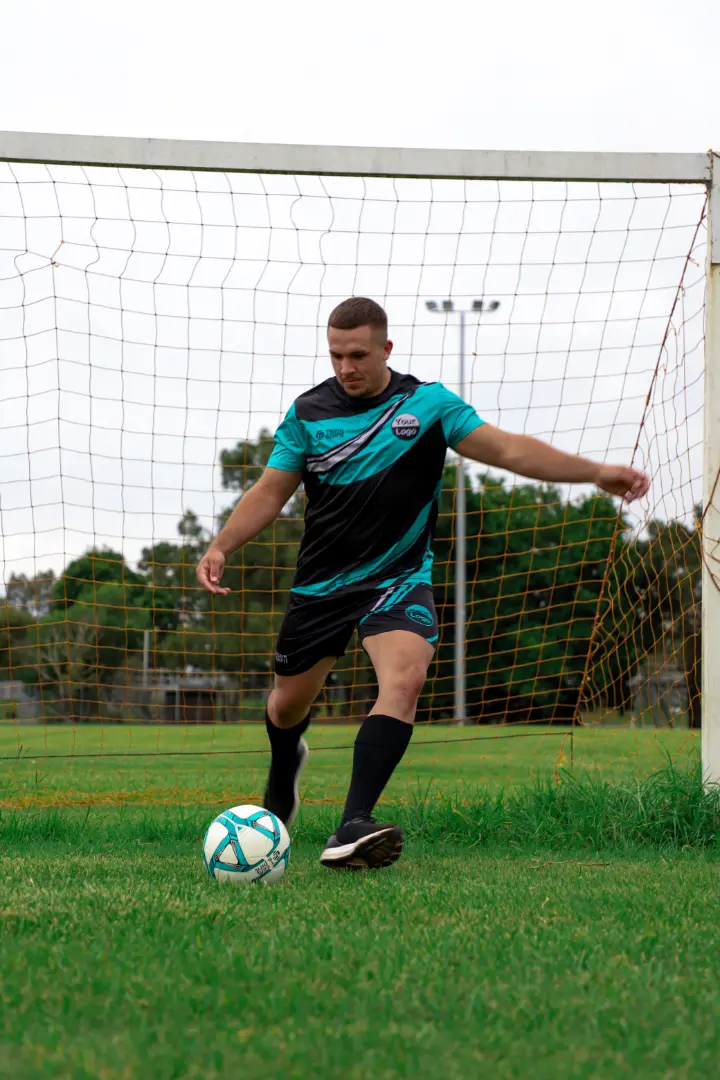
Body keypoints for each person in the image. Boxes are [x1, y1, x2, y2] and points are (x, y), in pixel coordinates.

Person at [196, 297, 649, 871]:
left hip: (399, 579)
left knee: (405, 680)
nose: (346, 367)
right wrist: (222, 545)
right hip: (322, 587)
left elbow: (506, 448)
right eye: (336, 355)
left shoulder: (428, 406)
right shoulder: (308, 413)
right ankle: (285, 763)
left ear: (386, 348)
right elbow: (270, 489)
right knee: (287, 707)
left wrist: (595, 472)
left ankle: (352, 824)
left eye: (358, 355)